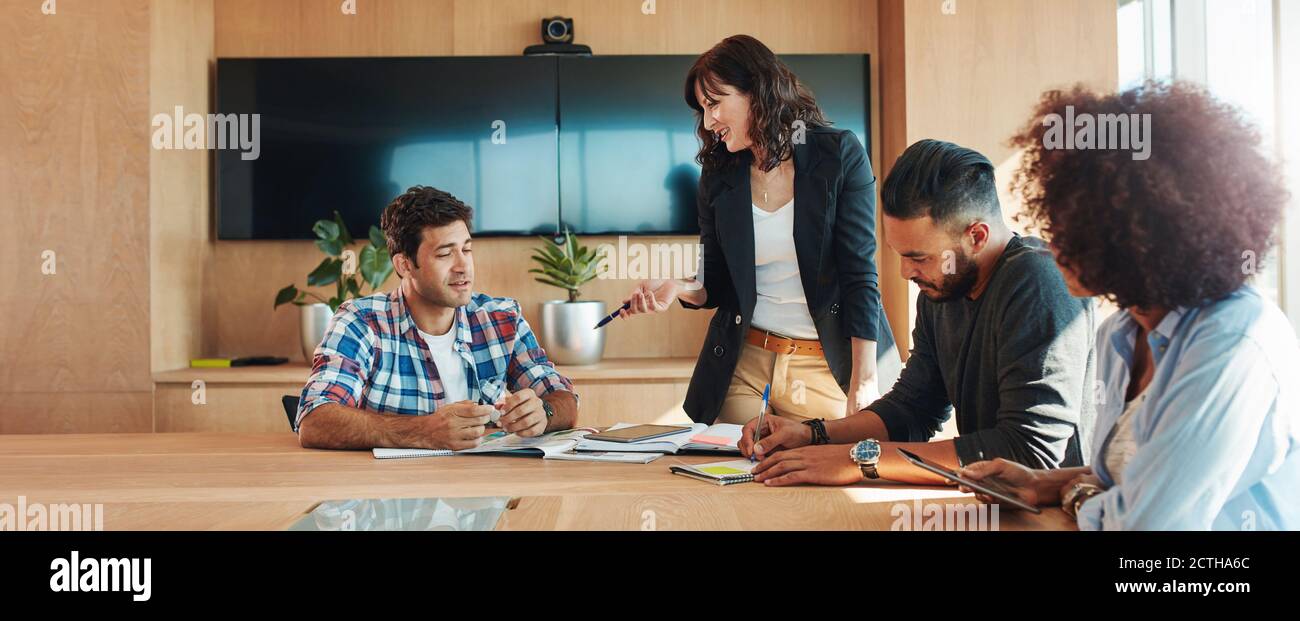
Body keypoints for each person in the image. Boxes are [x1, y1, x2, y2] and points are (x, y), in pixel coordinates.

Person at [958, 82, 1300, 530]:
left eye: (1077, 228)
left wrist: (1080, 495)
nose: (1055, 243)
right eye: (1056, 220)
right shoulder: (1119, 332)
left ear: (1144, 237)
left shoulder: (1233, 344)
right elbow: (1134, 476)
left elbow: (1146, 523)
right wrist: (1041, 483)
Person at [738, 139, 1096, 486]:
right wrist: (813, 434)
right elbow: (913, 408)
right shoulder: (943, 287)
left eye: (918, 257)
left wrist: (859, 460)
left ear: (976, 236)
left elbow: (1028, 453)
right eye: (900, 255)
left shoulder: (1039, 282)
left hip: (1055, 517)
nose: (905, 273)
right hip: (996, 508)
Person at [617, 34, 897, 426]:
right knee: (726, 473)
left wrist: (865, 381)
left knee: (819, 480)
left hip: (825, 365)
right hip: (745, 364)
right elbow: (714, 281)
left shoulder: (838, 155)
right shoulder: (718, 175)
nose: (709, 119)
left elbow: (860, 277)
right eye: (703, 109)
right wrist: (679, 287)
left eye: (715, 103)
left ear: (758, 91)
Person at [295, 186, 579, 450]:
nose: (463, 266)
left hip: (483, 489)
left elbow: (563, 398)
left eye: (466, 250)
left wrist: (545, 412)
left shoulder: (501, 318)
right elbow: (315, 420)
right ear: (405, 264)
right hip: (390, 495)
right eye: (445, 254)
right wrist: (421, 431)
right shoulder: (361, 322)